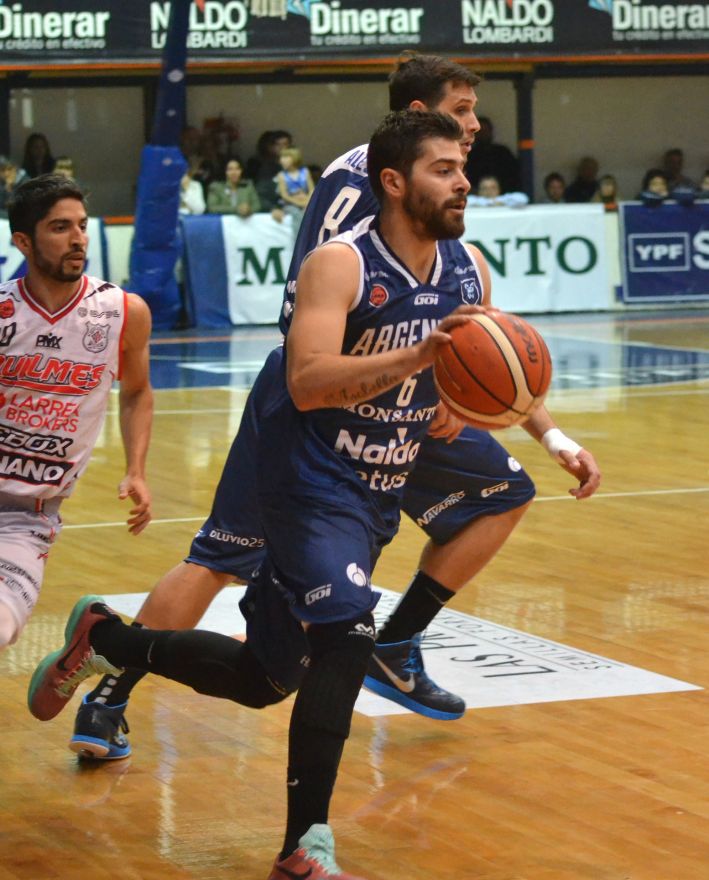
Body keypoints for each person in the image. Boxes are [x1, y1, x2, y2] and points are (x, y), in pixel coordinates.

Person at [65, 52, 600, 762]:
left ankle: (396, 643)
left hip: (405, 400)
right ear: (416, 121)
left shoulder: (444, 206)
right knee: (224, 559)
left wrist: (550, 433)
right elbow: (323, 330)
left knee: (503, 493)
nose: (475, 125)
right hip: (320, 400)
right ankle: (110, 689)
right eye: (462, 110)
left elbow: (479, 337)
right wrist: (408, 365)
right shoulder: (360, 186)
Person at [29, 109, 486, 880]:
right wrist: (419, 356)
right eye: (443, 168)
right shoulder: (339, 264)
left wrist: (483, 410)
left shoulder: (468, 268)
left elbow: (472, 377)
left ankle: (107, 639)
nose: (462, 181)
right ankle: (300, 856)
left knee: (263, 679)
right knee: (347, 637)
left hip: (374, 495)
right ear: (393, 181)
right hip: (307, 481)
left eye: (461, 167)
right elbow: (306, 381)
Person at [0, 174, 153, 651]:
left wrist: (136, 469)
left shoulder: (123, 311)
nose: (78, 239)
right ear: (23, 241)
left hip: (27, 517)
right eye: (60, 227)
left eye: (82, 225)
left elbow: (136, 392)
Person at [464, 115, 520, 194]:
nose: (483, 134)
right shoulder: (469, 155)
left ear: (491, 131)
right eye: (480, 131)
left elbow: (514, 176)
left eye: (485, 131)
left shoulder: (503, 153)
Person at [276, 147, 315, 234]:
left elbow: (311, 189)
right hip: (290, 204)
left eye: (286, 157)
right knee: (296, 213)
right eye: (281, 158)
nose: (282, 160)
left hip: (306, 201)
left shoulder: (305, 172)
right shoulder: (281, 175)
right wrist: (299, 203)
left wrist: (307, 201)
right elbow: (284, 195)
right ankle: (299, 237)